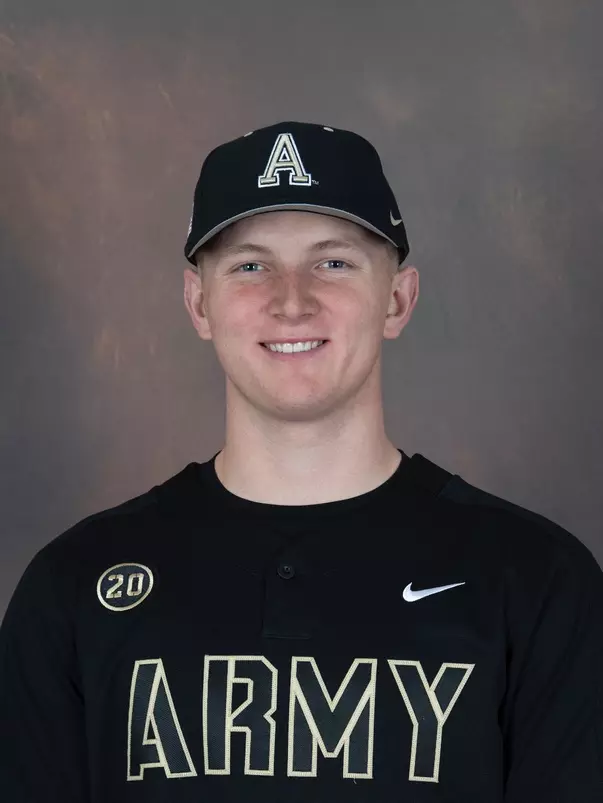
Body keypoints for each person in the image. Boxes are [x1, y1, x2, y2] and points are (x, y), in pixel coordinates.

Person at [1, 120, 602, 802]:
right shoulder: (75, 586)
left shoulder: (536, 581)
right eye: (250, 266)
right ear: (199, 304)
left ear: (397, 300)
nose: (292, 301)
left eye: (333, 263)